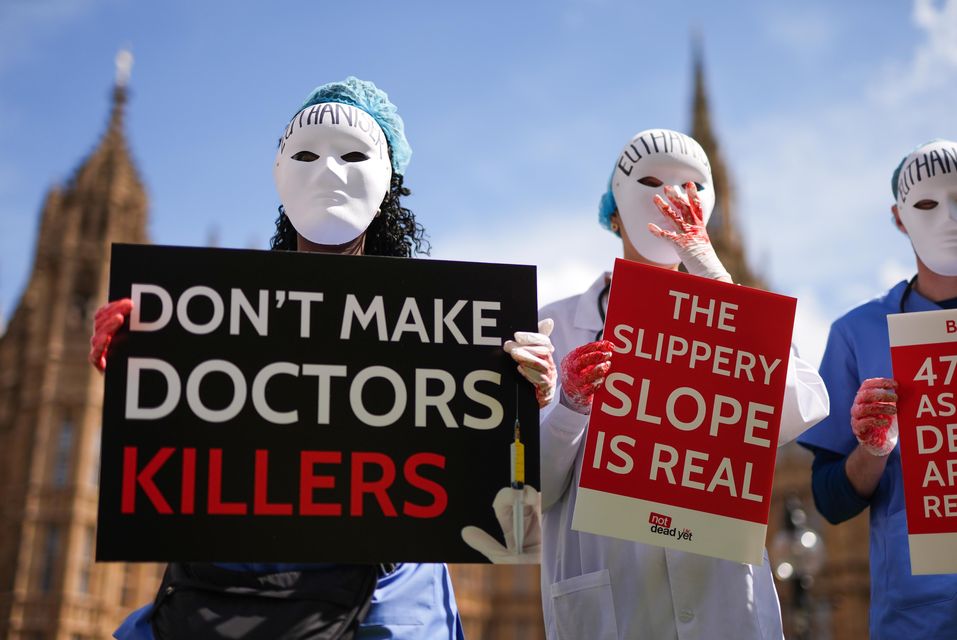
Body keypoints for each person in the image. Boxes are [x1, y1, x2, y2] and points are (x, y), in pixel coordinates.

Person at [90, 77, 555, 640]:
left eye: (353, 155)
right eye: (307, 155)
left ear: (388, 182)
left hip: (387, 598)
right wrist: (142, 366)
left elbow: (481, 474)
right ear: (278, 173)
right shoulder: (215, 316)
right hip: (234, 593)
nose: (329, 172)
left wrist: (521, 398)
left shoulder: (451, 327)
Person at [538, 128, 830, 640]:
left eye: (692, 188)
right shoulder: (556, 326)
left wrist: (713, 274)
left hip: (724, 601)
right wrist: (571, 408)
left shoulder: (737, 308)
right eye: (649, 182)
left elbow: (800, 405)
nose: (671, 199)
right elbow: (528, 489)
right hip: (614, 604)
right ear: (612, 212)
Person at [797, 138, 957, 639]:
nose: (949, 219)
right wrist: (872, 449)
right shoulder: (858, 333)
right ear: (899, 217)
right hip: (918, 617)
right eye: (928, 204)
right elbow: (831, 499)